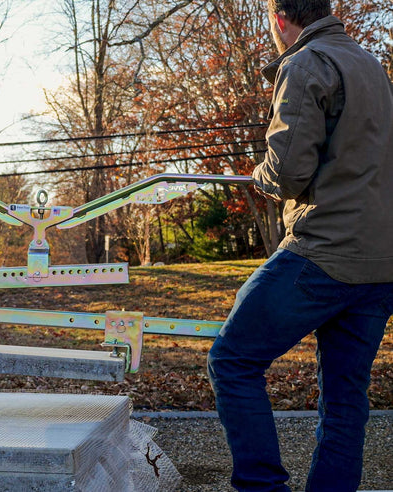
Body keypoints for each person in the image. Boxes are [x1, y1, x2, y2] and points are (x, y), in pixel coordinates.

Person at [207, 1, 393, 491]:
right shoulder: (371, 65)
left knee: (232, 360)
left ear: (280, 18)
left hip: (324, 252)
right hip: (381, 263)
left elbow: (287, 171)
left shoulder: (306, 62)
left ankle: (262, 487)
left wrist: (259, 175)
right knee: (346, 399)